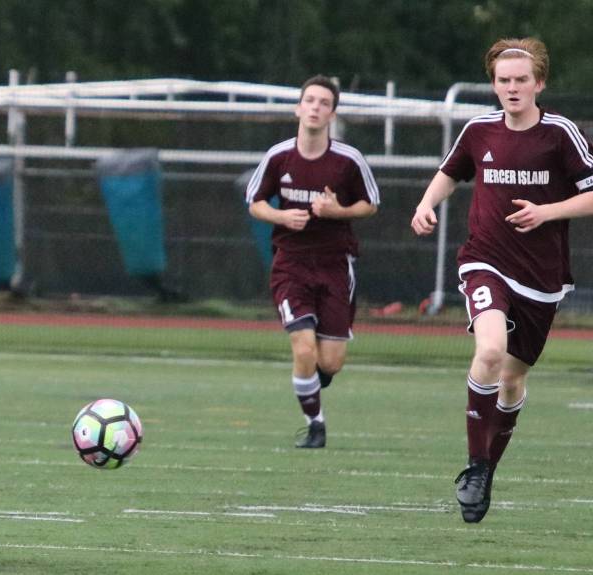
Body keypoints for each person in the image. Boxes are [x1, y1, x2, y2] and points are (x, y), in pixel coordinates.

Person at [411, 37, 593, 524]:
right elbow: (450, 172)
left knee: (512, 379)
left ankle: (488, 467)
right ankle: (474, 465)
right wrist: (426, 203)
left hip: (542, 278)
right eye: (503, 80)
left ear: (539, 83)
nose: (512, 88)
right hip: (485, 261)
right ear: (493, 84)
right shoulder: (478, 130)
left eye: (521, 80)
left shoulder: (561, 133)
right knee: (489, 351)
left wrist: (547, 211)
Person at [246, 75, 380, 449]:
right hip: (291, 264)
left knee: (330, 362)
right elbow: (255, 202)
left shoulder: (348, 160)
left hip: (335, 264)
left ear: (332, 114)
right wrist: (281, 216)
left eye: (324, 103)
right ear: (298, 108)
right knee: (303, 348)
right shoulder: (279, 157)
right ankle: (315, 425)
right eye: (310, 101)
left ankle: (312, 378)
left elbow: (370, 204)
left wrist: (338, 211)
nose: (315, 108)